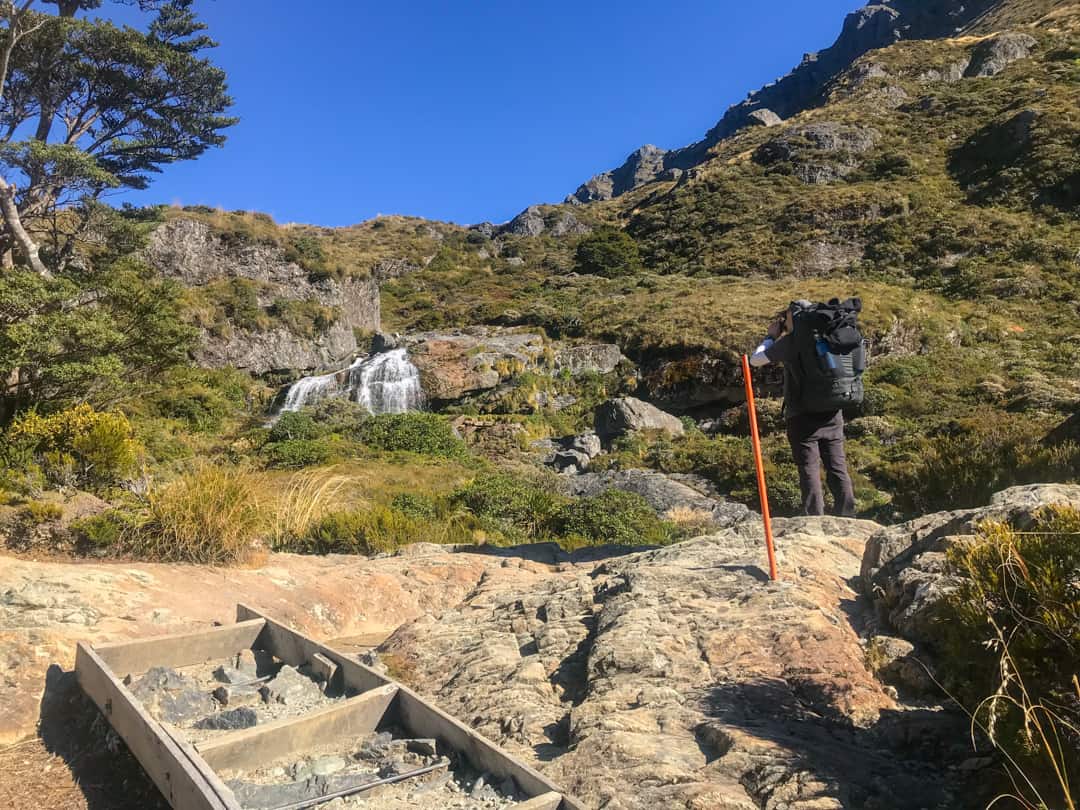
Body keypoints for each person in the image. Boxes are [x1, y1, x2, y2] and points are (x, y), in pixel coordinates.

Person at [749, 301, 857, 517]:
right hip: (833, 410)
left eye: (785, 317)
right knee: (837, 466)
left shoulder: (791, 342)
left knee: (809, 468)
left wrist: (771, 336)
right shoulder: (830, 335)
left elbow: (755, 360)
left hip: (802, 415)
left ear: (793, 318)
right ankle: (847, 515)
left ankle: (814, 519)